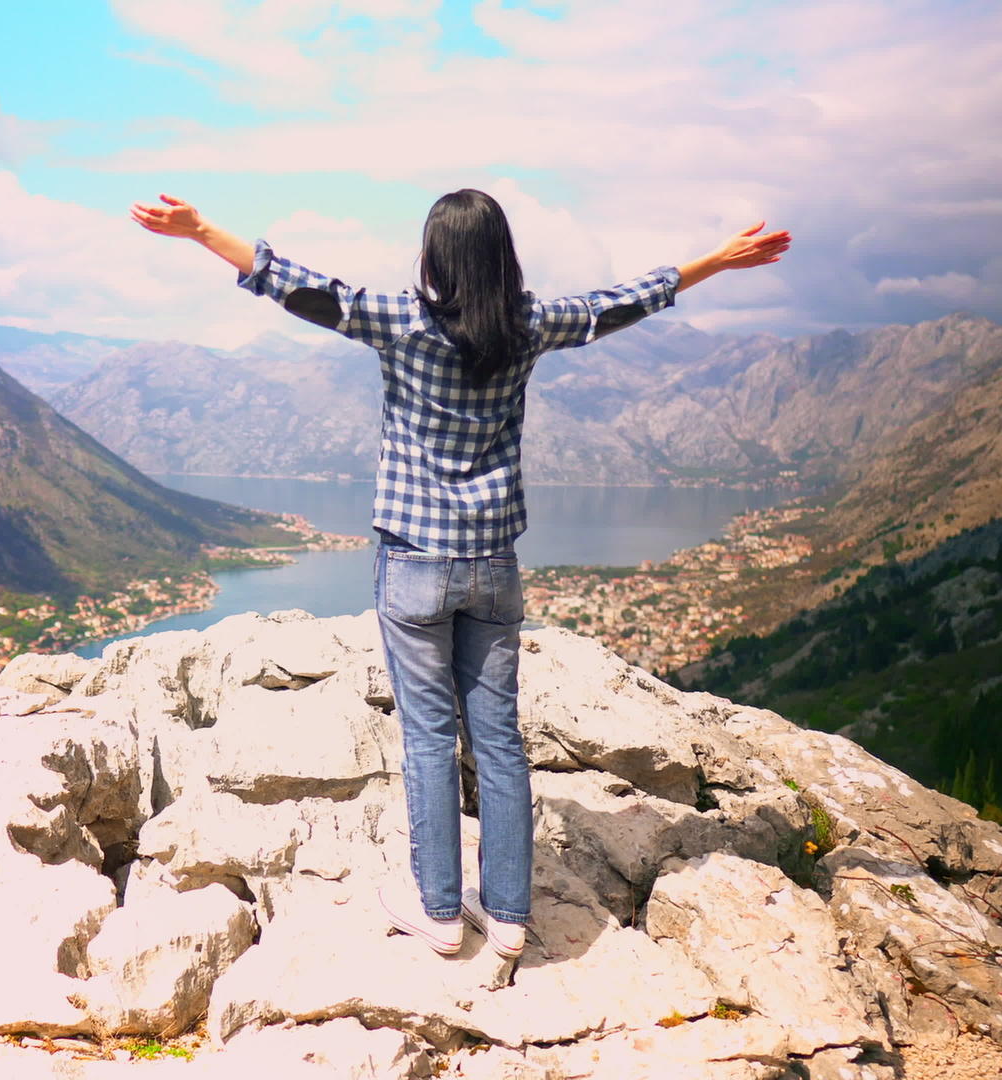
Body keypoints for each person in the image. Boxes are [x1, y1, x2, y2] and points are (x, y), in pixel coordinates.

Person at [130, 189, 790, 958]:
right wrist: (714, 259)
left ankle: (440, 911)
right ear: (502, 257)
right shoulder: (529, 327)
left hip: (414, 562)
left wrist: (203, 229)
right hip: (493, 565)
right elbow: (619, 303)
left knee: (429, 740)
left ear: (434, 258)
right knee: (500, 741)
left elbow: (297, 285)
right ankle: (508, 916)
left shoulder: (403, 323)